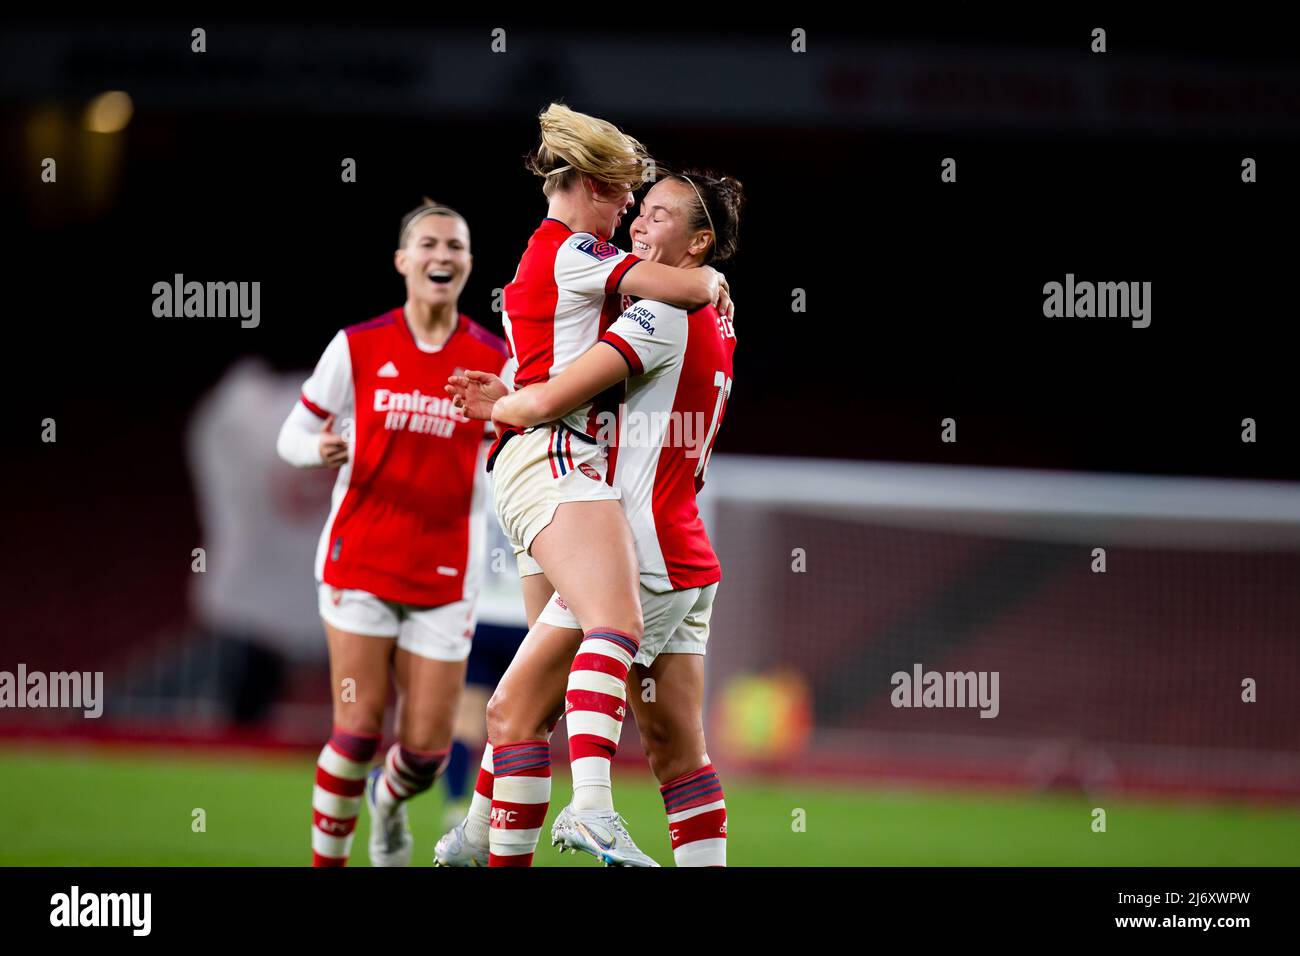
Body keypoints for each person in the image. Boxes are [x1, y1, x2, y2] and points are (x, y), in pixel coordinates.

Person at [437, 103, 731, 867]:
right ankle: (591, 809)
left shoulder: (650, 304)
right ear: (594, 183)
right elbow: (543, 398)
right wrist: (708, 275)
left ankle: (482, 834)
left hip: (589, 483)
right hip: (569, 471)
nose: (633, 210)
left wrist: (504, 397)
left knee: (529, 711)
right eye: (631, 194)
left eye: (654, 207)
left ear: (696, 239)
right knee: (568, 670)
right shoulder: (615, 273)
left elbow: (546, 381)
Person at [276, 200, 509, 866]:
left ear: (467, 264)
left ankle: (387, 802)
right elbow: (293, 431)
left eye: (456, 246)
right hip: (360, 561)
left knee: (429, 754)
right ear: (403, 260)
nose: (443, 255)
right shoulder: (356, 346)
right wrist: (313, 450)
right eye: (429, 243)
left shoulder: (493, 358)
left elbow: (520, 442)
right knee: (354, 731)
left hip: (444, 574)